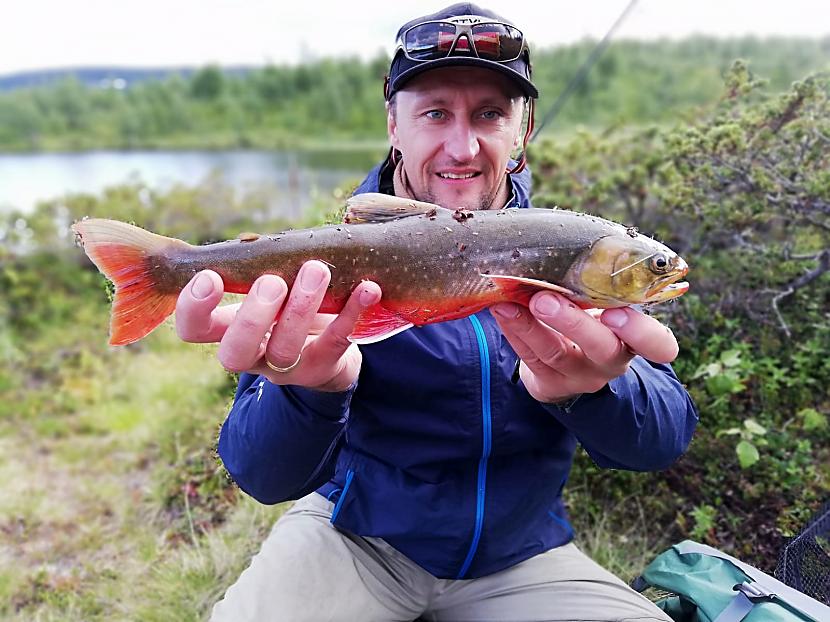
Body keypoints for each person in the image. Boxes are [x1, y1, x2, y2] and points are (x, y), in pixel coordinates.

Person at [176, 4, 698, 620]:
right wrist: (311, 390)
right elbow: (261, 476)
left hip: (522, 555)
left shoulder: (574, 255)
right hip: (356, 536)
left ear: (521, 130)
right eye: (433, 113)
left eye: (489, 113)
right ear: (393, 125)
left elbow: (660, 441)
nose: (463, 145)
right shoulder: (333, 259)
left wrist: (594, 390)